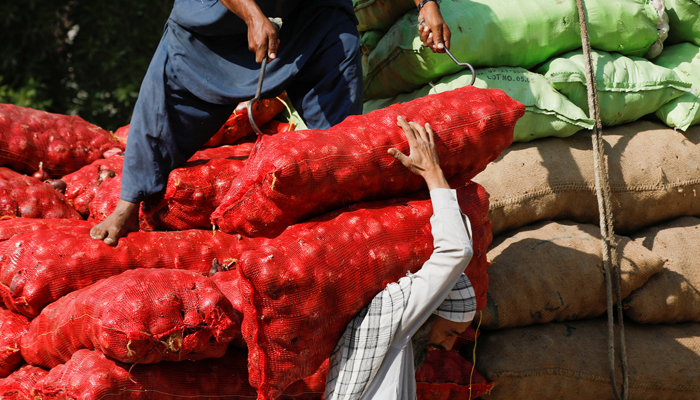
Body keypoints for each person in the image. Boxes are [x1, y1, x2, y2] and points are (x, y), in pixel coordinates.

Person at [90, 0, 453, 246]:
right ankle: (129, 203)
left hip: (309, 14)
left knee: (341, 125)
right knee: (165, 102)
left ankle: (342, 206)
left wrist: (427, 5)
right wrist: (250, 14)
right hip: (216, 22)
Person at [324, 116, 475, 400]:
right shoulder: (397, 317)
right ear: (430, 307)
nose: (447, 345)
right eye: (450, 332)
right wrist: (432, 173)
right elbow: (458, 251)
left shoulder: (394, 344)